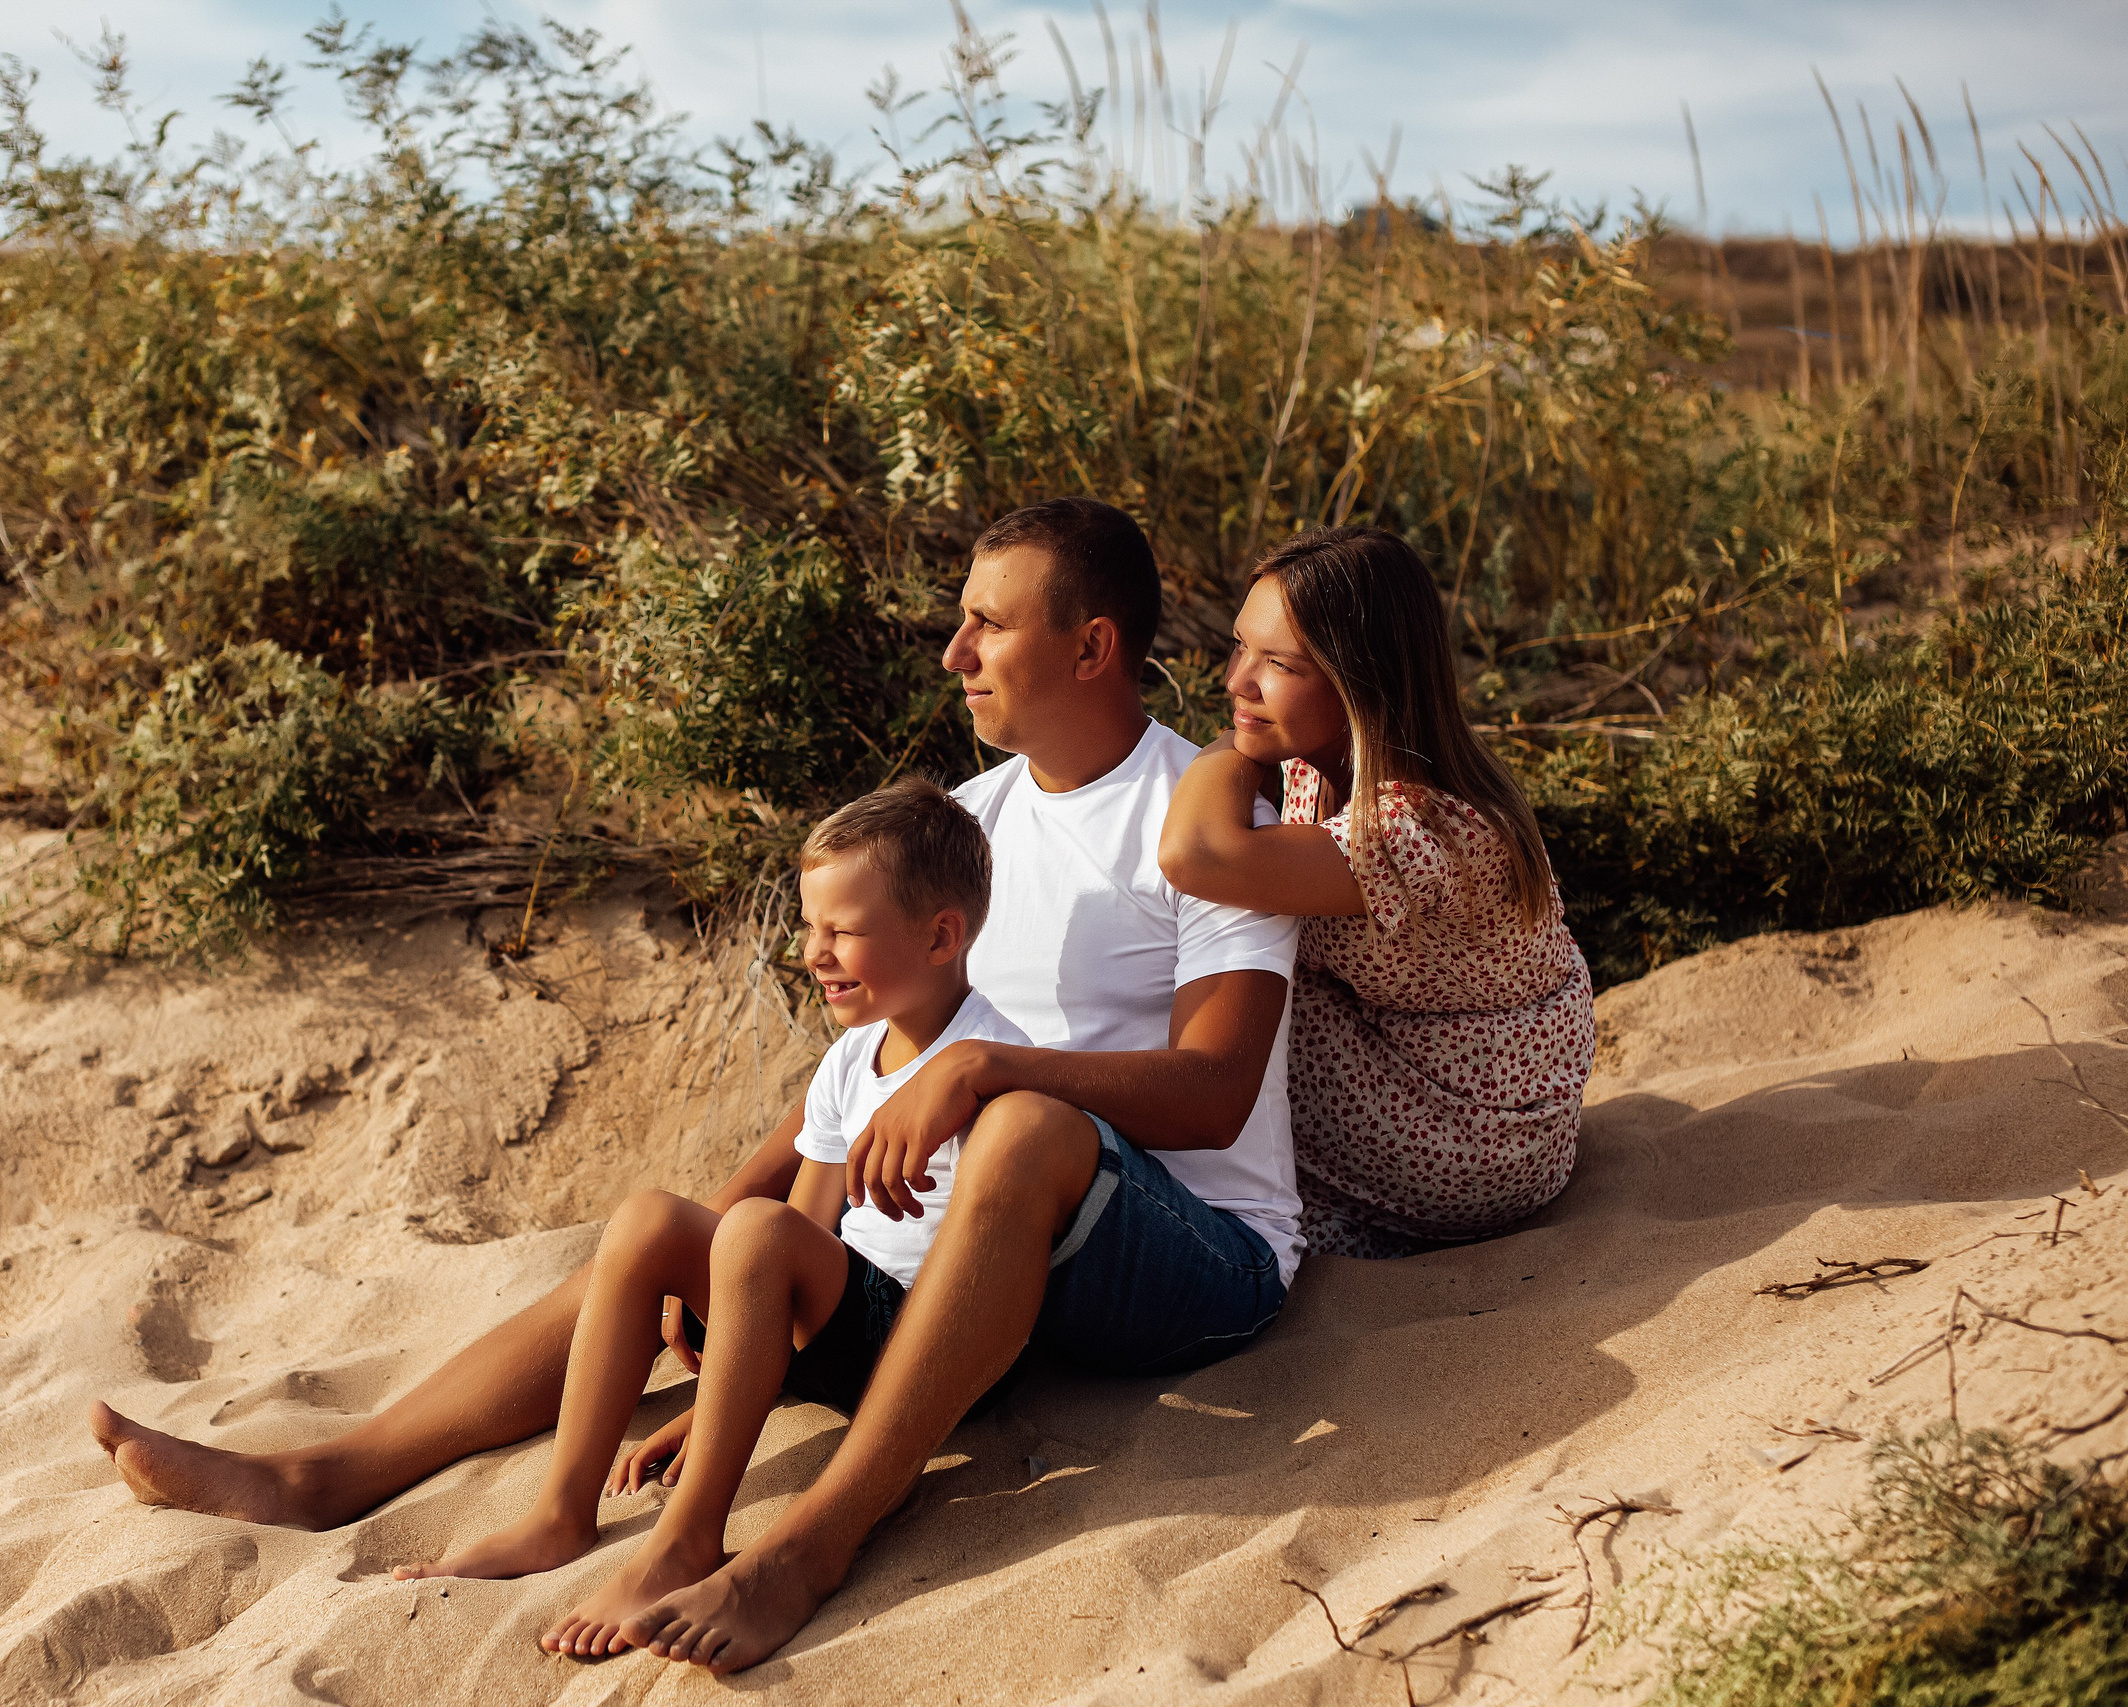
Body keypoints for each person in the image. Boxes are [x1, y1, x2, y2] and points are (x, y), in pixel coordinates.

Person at [91, 496, 1303, 1677]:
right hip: (977, 1256)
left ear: (1091, 648)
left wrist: (994, 1069)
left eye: (988, 623)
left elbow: (1213, 1098)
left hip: (1185, 1254)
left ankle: (808, 1547)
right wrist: (728, 1289)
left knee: (1022, 1126)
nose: (954, 652)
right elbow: (862, 1085)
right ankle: (327, 1477)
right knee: (682, 1229)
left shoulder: (1201, 821)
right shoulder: (968, 827)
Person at [405, 778, 1029, 1661]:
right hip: (843, 1326)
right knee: (650, 1220)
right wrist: (720, 1395)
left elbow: (984, 1267)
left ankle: (687, 1538)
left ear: (940, 936)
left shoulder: (992, 1063)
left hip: (931, 1353)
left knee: (756, 1229)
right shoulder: (850, 1059)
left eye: (844, 931)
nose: (814, 952)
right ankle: (560, 1512)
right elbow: (802, 1232)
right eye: (809, 926)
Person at [1158, 524, 1596, 1260]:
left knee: (1231, 991)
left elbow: (1194, 853)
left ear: (1362, 681)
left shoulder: (1426, 827)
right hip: (1434, 1080)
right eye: (1240, 646)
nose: (1236, 681)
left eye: (1279, 664)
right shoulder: (1318, 765)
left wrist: (1230, 746)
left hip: (1478, 1135)